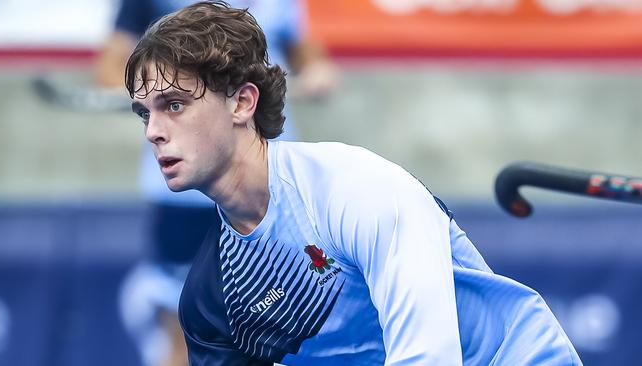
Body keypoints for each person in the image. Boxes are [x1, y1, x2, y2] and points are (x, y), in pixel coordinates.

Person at [124, 1, 583, 364]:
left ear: (242, 103)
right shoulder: (212, 299)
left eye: (175, 105)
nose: (153, 130)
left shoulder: (358, 189)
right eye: (146, 112)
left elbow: (429, 358)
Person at [93, 0, 335, 365]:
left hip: (270, 190)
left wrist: (317, 68)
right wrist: (145, 93)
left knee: (287, 334)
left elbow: (303, 48)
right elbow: (112, 64)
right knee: (184, 337)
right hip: (185, 205)